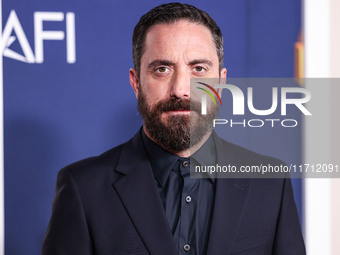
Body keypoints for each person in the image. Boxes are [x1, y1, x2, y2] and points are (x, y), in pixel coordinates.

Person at [42, 3, 305, 255]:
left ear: (221, 83)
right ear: (136, 83)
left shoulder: (270, 181)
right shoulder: (84, 188)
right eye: (162, 69)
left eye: (199, 69)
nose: (180, 89)